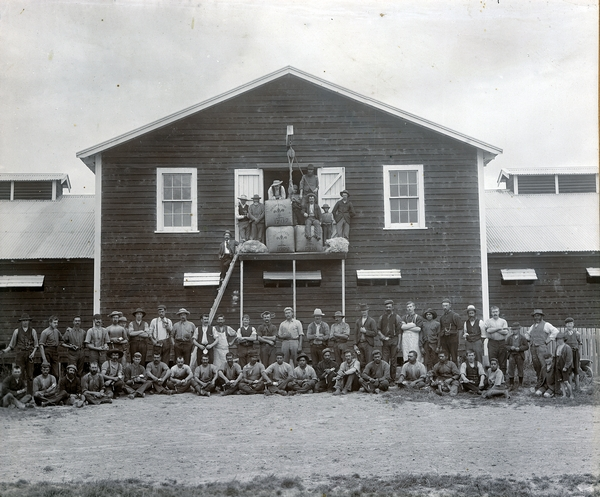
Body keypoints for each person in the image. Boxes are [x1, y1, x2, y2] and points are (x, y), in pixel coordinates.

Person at [1, 314, 39, 394]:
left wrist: (33, 353)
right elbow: (12, 345)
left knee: (30, 375)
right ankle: (20, 394)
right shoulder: (16, 331)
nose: (25, 322)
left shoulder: (33, 331)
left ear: (29, 321)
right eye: (23, 321)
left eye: (26, 320)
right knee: (20, 375)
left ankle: (29, 395)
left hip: (30, 355)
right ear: (21, 322)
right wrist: (4, 351)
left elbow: (36, 345)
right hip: (20, 354)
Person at [524, 309, 559, 391]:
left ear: (541, 316)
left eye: (538, 315)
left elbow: (555, 331)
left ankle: (547, 384)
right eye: (535, 316)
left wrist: (548, 340)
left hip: (541, 348)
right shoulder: (532, 326)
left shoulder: (546, 325)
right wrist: (528, 338)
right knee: (537, 366)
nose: (537, 317)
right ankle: (539, 383)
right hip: (533, 348)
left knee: (544, 365)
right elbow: (527, 334)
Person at [377, 300, 403, 381]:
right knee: (385, 360)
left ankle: (393, 378)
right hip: (385, 341)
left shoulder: (397, 317)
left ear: (393, 307)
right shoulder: (381, 317)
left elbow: (399, 332)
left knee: (393, 360)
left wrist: (399, 344)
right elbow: (378, 330)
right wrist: (383, 337)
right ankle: (385, 378)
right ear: (385, 308)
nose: (388, 308)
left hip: (394, 340)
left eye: (390, 307)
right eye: (387, 307)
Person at [484, 306, 509, 376]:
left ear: (499, 312)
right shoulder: (488, 321)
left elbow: (505, 332)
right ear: (491, 313)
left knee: (502, 361)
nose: (495, 313)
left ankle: (502, 379)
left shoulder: (503, 321)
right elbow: (488, 330)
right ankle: (493, 379)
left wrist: (493, 329)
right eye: (493, 312)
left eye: (496, 312)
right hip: (492, 343)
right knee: (492, 361)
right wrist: (498, 328)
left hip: (502, 342)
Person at [504, 322, 529, 391]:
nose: (514, 331)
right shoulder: (509, 338)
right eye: (513, 329)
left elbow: (526, 346)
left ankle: (520, 384)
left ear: (519, 330)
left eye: (516, 329)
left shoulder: (523, 338)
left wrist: (520, 348)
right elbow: (505, 345)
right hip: (512, 355)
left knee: (520, 369)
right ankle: (511, 384)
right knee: (511, 369)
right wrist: (510, 347)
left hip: (519, 355)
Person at [38, 315, 63, 381]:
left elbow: (62, 340)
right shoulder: (45, 332)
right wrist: (44, 359)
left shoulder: (57, 331)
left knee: (56, 373)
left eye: (57, 323)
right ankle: (46, 389)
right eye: (54, 323)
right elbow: (41, 346)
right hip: (47, 352)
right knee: (46, 372)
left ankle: (54, 389)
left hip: (55, 352)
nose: (56, 324)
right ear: (50, 323)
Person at [355, 303, 378, 370]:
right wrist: (355, 344)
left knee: (369, 361)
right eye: (362, 311)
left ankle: (369, 377)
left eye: (365, 311)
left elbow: (375, 333)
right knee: (361, 361)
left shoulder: (371, 321)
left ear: (368, 311)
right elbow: (355, 333)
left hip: (368, 343)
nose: (363, 312)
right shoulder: (358, 321)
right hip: (360, 343)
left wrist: (366, 332)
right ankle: (362, 377)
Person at [438, 299, 462, 364]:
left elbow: (460, 329)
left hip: (453, 339)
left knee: (454, 357)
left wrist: (459, 341)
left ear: (450, 306)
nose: (444, 307)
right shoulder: (442, 317)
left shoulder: (455, 316)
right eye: (443, 306)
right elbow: (441, 330)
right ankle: (447, 372)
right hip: (444, 340)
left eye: (446, 305)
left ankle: (455, 372)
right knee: (445, 357)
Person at [564, 318, 582, 391]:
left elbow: (580, 343)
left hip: (575, 353)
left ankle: (577, 387)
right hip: (568, 354)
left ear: (573, 324)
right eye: (568, 324)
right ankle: (570, 387)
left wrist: (577, 350)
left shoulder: (577, 333)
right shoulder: (564, 334)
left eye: (571, 323)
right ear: (565, 325)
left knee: (576, 370)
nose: (569, 325)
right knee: (569, 370)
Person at [553, 332, 573, 398]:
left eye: (560, 339)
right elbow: (556, 357)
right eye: (558, 339)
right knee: (560, 381)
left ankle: (571, 395)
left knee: (566, 381)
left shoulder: (567, 347)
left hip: (564, 365)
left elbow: (569, 359)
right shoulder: (557, 347)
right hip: (558, 365)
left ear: (564, 339)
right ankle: (564, 395)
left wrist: (566, 367)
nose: (559, 340)